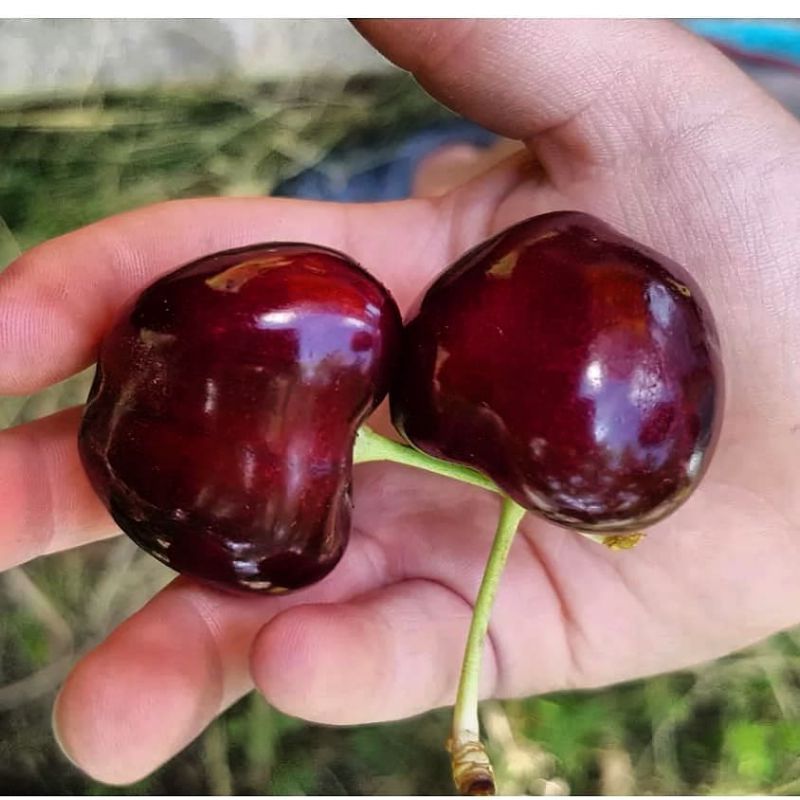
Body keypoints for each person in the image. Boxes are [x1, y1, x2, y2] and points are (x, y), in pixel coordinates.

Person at [1, 19, 799, 785]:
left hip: (347, 308)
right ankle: (407, 169)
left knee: (368, 217)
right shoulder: (603, 460)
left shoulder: (359, 353)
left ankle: (392, 173)